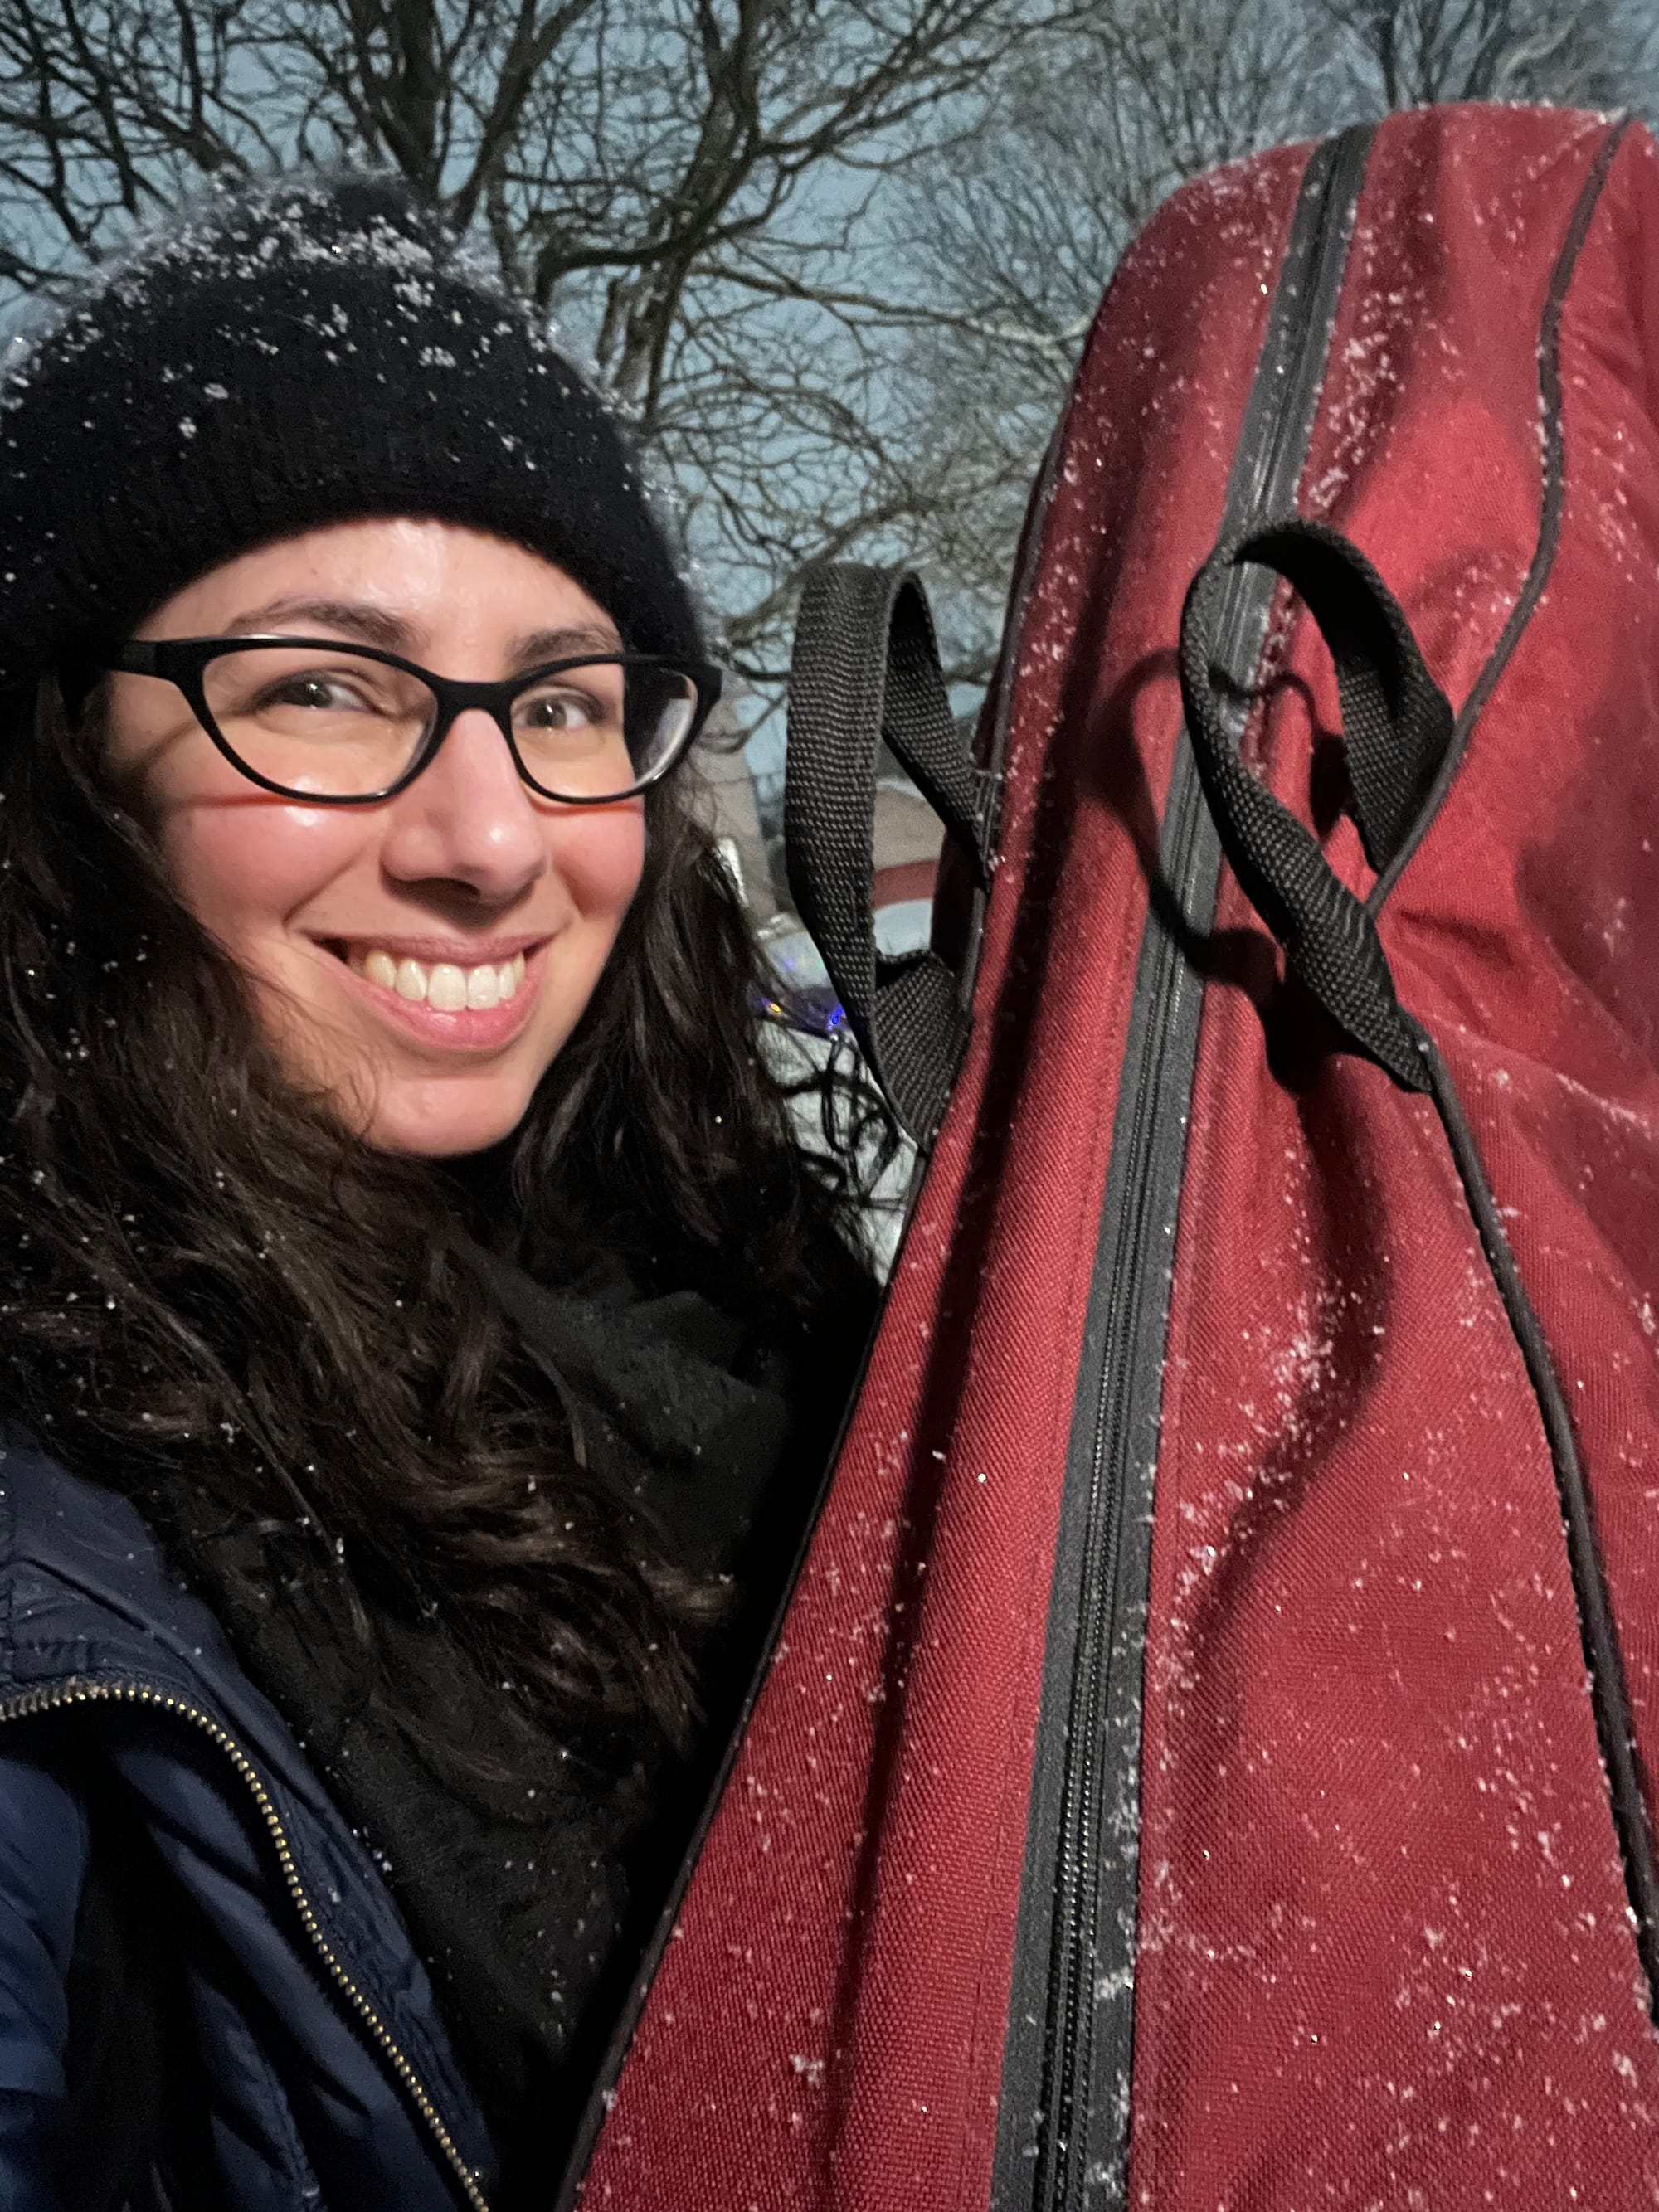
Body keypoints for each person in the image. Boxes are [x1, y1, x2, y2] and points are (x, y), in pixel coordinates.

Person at [0, 176, 887, 2212]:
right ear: (66, 770)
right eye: (323, 687)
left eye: (565, 703)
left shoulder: (745, 1334)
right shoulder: (59, 1596)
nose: (491, 835)